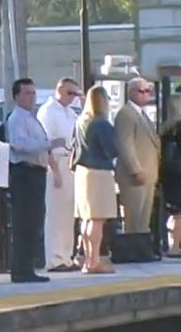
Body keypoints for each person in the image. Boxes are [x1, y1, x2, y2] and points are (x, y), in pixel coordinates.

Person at [7, 78, 66, 283]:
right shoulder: (17, 119)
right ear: (16, 96)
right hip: (25, 173)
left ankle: (28, 266)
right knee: (25, 221)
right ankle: (21, 269)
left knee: (34, 221)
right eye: (27, 93)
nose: (32, 97)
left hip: (37, 172)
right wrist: (49, 143)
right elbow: (19, 144)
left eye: (33, 93)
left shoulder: (32, 118)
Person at [37, 77, 82, 272]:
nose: (72, 98)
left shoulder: (71, 113)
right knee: (55, 214)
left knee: (68, 213)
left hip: (70, 162)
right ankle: (55, 258)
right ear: (59, 90)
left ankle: (66, 256)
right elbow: (46, 144)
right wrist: (54, 171)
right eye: (69, 93)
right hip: (56, 162)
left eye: (75, 94)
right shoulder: (48, 111)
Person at [71, 86, 118, 274]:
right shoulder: (101, 123)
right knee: (98, 218)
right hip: (99, 172)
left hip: (82, 172)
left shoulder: (81, 120)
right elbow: (112, 149)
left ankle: (87, 259)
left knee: (86, 218)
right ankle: (94, 260)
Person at [115, 77, 161, 234]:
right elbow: (125, 144)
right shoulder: (126, 114)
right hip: (134, 176)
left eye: (148, 91)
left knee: (143, 218)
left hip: (148, 175)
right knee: (133, 217)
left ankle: (141, 249)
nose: (145, 94)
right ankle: (132, 250)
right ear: (131, 92)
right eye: (141, 91)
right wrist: (135, 170)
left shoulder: (142, 114)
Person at [161, 93, 181, 257]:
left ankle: (173, 244)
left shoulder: (165, 127)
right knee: (178, 213)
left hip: (169, 174)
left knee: (175, 212)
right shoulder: (178, 127)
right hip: (178, 173)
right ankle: (175, 246)